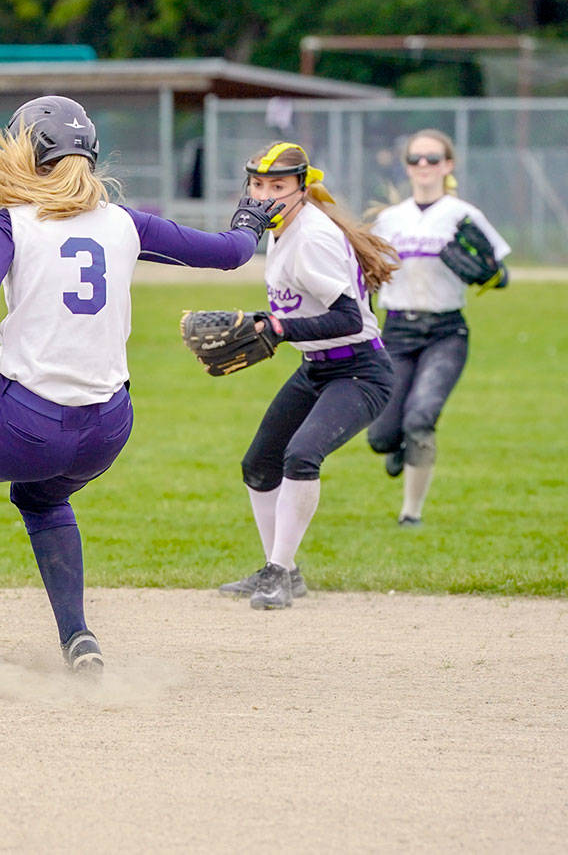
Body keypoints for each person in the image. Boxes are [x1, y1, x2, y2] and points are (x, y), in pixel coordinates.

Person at [0, 95, 275, 673]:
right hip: (108, 426)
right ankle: (78, 639)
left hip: (26, 419)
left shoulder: (13, 222)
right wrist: (250, 219)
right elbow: (232, 254)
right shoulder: (124, 222)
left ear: (30, 153)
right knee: (43, 496)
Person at [217, 142, 398, 609]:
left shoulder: (311, 236)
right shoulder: (282, 231)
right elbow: (297, 304)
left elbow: (350, 319)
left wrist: (278, 328)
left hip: (360, 370)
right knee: (259, 464)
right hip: (316, 367)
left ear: (303, 189)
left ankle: (279, 571)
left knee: (301, 456)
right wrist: (267, 319)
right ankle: (284, 572)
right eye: (257, 185)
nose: (264, 195)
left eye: (278, 186)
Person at [366, 129, 511, 527]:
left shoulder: (463, 215)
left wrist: (491, 274)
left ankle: (411, 514)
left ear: (448, 165)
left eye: (433, 159)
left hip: (446, 332)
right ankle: (397, 445)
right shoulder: (389, 220)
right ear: (407, 166)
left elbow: (499, 273)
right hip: (396, 332)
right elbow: (366, 274)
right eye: (416, 159)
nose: (424, 166)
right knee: (380, 436)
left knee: (420, 418)